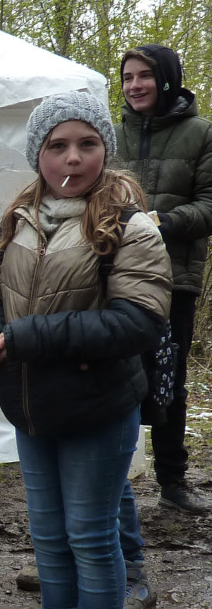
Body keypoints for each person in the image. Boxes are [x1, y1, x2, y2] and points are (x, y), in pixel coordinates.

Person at [0, 92, 170, 609]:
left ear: (105, 149)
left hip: (96, 406)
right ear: (39, 154)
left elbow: (139, 321)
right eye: (57, 145)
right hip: (33, 408)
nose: (72, 157)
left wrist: (28, 336)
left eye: (86, 143)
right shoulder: (19, 219)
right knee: (50, 537)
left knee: (90, 535)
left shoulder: (131, 224)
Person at [115, 45, 212, 516]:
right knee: (117, 375)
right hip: (117, 279)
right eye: (128, 77)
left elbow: (210, 204)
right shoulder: (109, 137)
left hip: (175, 279)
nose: (134, 85)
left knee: (167, 378)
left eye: (144, 77)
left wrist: (164, 223)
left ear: (168, 80)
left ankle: (172, 480)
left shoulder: (201, 134)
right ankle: (113, 478)